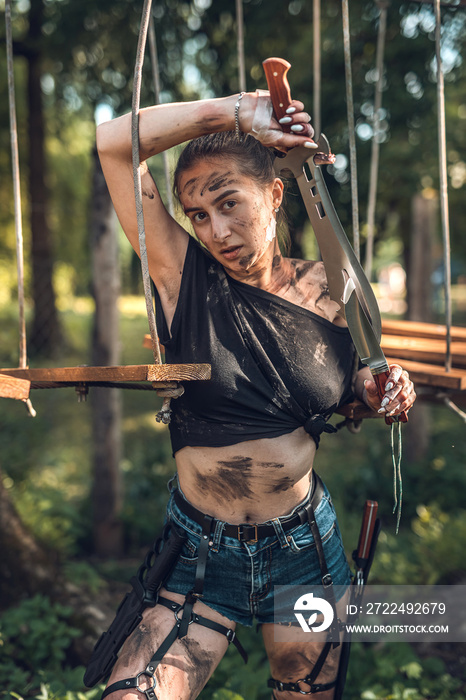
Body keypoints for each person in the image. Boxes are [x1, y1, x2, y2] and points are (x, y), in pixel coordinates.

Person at [95, 89, 416, 700]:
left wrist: (382, 387)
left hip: (303, 549)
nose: (216, 231)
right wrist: (241, 114)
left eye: (228, 203)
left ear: (273, 193)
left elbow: (355, 388)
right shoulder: (182, 276)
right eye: (199, 215)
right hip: (198, 552)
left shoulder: (331, 288)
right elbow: (114, 144)